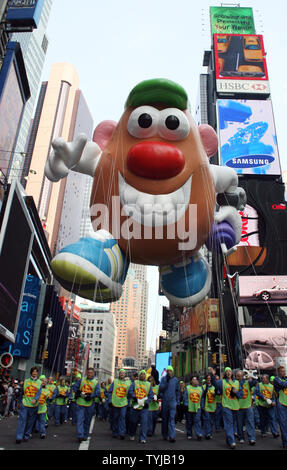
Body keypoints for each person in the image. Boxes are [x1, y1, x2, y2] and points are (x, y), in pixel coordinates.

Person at [210, 366, 243, 449]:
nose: (228, 372)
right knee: (229, 424)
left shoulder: (237, 383)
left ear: (232, 373)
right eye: (226, 371)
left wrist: (236, 392)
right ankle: (232, 441)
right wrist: (213, 375)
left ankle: (229, 440)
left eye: (229, 371)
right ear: (225, 373)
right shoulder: (222, 382)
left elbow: (241, 395)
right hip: (226, 405)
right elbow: (215, 384)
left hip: (235, 406)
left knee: (232, 424)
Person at [15, 366, 42, 444]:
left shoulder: (39, 382)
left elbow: (39, 392)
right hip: (25, 404)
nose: (34, 373)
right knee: (22, 420)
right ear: (31, 372)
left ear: (37, 373)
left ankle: (26, 435)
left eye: (36, 371)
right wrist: (19, 402)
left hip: (34, 406)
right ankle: (19, 437)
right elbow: (22, 392)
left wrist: (35, 399)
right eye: (33, 371)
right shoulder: (26, 381)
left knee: (30, 422)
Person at [73, 367, 100, 442]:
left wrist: (90, 396)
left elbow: (98, 392)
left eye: (91, 373)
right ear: (86, 373)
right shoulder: (82, 380)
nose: (90, 374)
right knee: (80, 419)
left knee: (87, 421)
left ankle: (85, 434)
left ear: (93, 373)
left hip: (90, 404)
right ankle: (80, 435)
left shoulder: (95, 382)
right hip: (80, 403)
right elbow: (75, 387)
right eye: (89, 372)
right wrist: (78, 392)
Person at [128, 369, 153, 443]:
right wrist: (134, 397)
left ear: (145, 376)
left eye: (144, 374)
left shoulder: (148, 384)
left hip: (144, 407)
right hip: (135, 406)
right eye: (141, 374)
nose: (142, 375)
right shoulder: (135, 383)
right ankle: (132, 434)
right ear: (139, 375)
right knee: (133, 422)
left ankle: (142, 438)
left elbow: (151, 395)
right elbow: (130, 391)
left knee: (144, 423)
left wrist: (147, 402)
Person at [159, 365, 180, 443]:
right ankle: (164, 434)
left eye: (170, 371)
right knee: (165, 420)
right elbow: (160, 390)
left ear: (172, 371)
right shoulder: (163, 379)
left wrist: (177, 401)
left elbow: (177, 391)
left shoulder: (175, 380)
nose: (169, 372)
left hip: (172, 402)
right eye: (168, 371)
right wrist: (165, 384)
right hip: (165, 402)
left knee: (171, 419)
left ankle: (172, 436)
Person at [254, 374, 279, 439]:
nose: (263, 379)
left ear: (267, 379)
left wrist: (273, 402)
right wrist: (263, 397)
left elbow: (273, 396)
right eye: (262, 378)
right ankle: (263, 431)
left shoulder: (272, 386)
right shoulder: (259, 385)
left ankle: (274, 432)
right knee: (263, 419)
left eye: (264, 378)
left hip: (270, 405)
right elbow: (256, 392)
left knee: (272, 418)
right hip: (262, 404)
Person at [108, 369, 131, 439]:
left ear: (125, 375)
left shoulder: (127, 383)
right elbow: (110, 392)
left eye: (123, 373)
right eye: (120, 373)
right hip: (115, 402)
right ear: (119, 374)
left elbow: (130, 393)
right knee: (115, 418)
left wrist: (129, 402)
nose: (122, 374)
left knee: (122, 418)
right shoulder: (115, 381)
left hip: (123, 403)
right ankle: (115, 432)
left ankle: (122, 433)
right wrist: (110, 400)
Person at [235, 370, 257, 446]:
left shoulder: (247, 382)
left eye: (241, 376)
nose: (239, 377)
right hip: (238, 407)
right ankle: (241, 437)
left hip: (248, 405)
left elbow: (254, 382)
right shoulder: (235, 383)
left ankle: (252, 438)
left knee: (250, 422)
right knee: (239, 423)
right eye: (238, 376)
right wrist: (243, 379)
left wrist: (251, 376)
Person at [184, 376, 204, 440]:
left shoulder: (200, 389)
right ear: (191, 381)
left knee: (197, 421)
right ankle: (189, 434)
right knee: (189, 422)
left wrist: (202, 406)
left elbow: (202, 398)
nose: (195, 381)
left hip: (197, 407)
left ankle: (199, 434)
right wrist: (186, 404)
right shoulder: (187, 388)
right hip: (189, 407)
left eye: (196, 379)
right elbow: (185, 397)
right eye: (193, 379)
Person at [274, 366, 287, 448]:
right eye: (282, 371)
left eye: (284, 371)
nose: (284, 372)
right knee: (283, 424)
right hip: (281, 404)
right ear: (278, 372)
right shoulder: (276, 379)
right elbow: (282, 385)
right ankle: (285, 442)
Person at [202, 374, 217, 439]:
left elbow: (218, 394)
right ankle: (207, 433)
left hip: (213, 406)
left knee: (211, 421)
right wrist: (202, 405)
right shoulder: (203, 387)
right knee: (207, 420)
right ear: (206, 379)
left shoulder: (214, 387)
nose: (209, 379)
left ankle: (210, 432)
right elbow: (202, 397)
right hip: (206, 406)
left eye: (210, 378)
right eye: (207, 378)